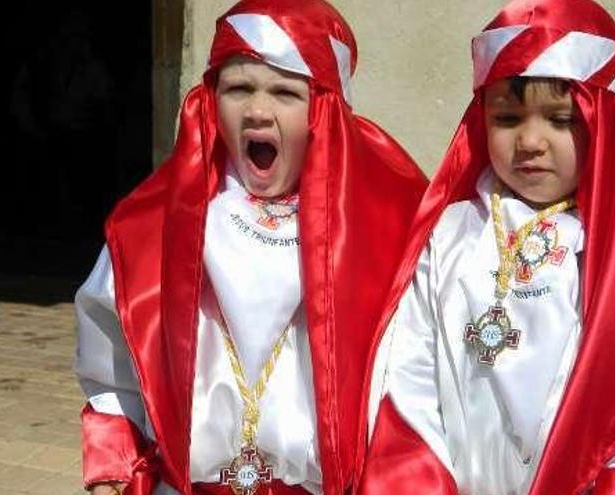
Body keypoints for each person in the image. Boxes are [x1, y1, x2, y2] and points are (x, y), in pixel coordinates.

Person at [357, 1, 615, 494]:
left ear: (601, 121)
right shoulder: (449, 237)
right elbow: (407, 383)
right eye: (507, 118)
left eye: (560, 119)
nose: (530, 140)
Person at [74, 1, 427, 494]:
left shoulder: (383, 230)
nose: (259, 111)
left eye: (285, 92)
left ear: (322, 109)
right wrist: (114, 460)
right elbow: (112, 363)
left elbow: (414, 384)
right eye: (238, 88)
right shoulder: (152, 227)